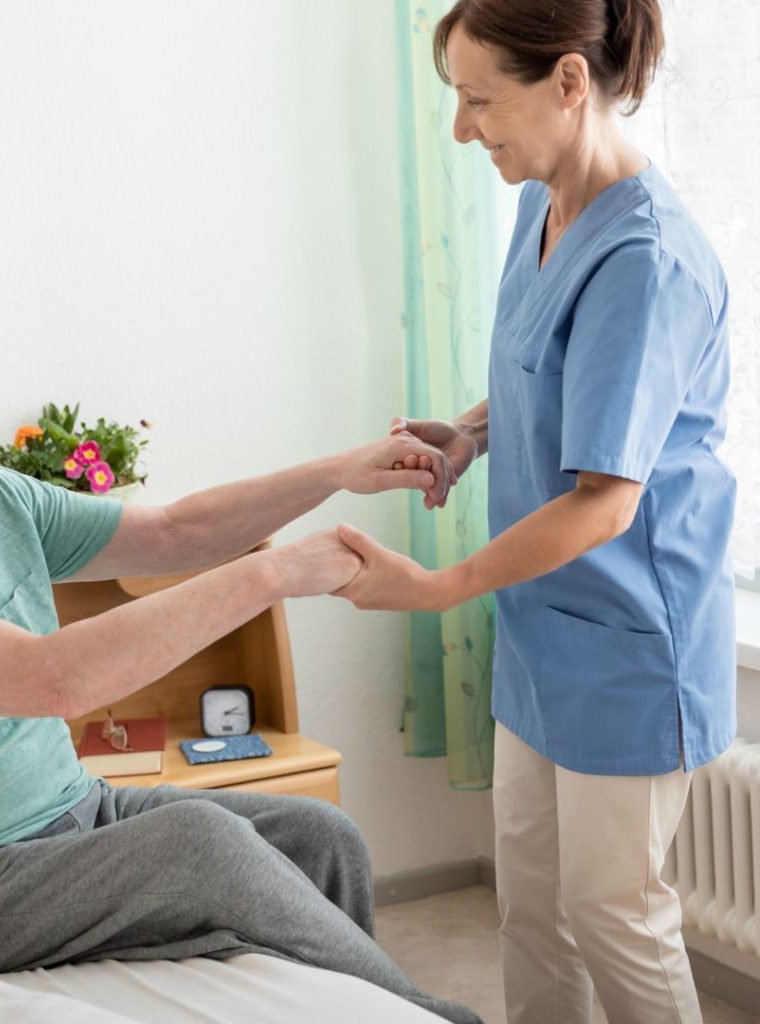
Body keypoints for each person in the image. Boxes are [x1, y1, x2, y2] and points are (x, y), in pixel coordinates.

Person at [0, 323, 481, 1023]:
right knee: (200, 845)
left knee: (324, 836)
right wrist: (276, 573)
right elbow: (53, 680)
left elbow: (174, 530)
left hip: (64, 816)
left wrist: (342, 470)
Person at [335, 3, 734, 1022]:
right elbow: (543, 376)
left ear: (565, 82)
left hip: (627, 642)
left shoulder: (642, 259)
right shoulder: (542, 201)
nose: (463, 130)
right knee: (533, 904)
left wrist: (436, 587)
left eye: (477, 101)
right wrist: (471, 434)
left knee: (614, 911)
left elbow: (604, 501)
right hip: (536, 629)